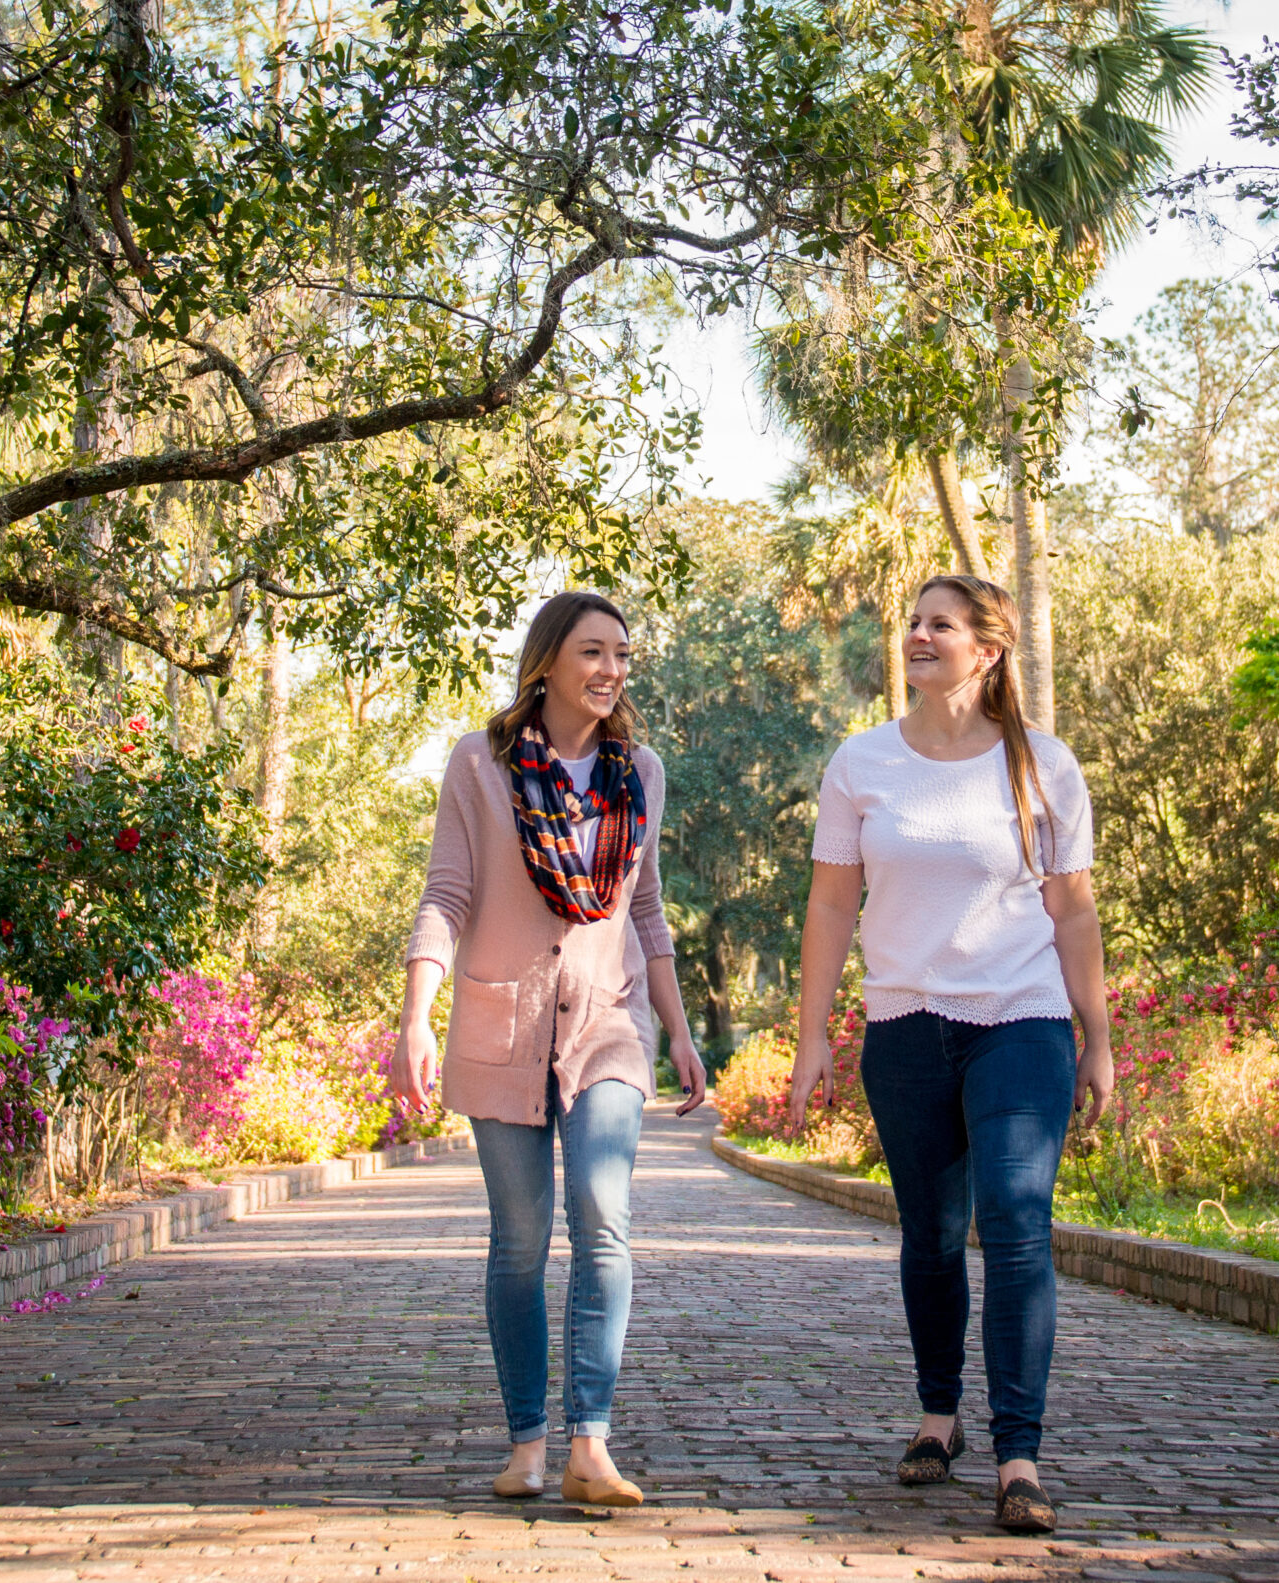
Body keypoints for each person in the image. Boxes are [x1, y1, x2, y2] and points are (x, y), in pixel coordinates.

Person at [787, 574, 1113, 1535]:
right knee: (930, 1235)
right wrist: (813, 1032)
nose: (918, 636)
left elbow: (1072, 910)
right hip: (904, 1027)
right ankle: (940, 1415)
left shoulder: (1042, 763)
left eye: (941, 624)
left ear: (989, 647)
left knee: (1015, 1220)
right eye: (914, 622)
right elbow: (831, 904)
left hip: (1021, 1019)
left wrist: (1099, 1036)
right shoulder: (862, 762)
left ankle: (1020, 1453)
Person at [392, 590, 710, 1508]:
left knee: (603, 1220)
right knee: (522, 1240)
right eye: (593, 651)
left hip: (610, 1025)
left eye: (622, 654)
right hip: (503, 1023)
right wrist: (417, 1014)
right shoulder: (480, 763)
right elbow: (447, 894)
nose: (612, 670)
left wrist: (679, 1029)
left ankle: (590, 1444)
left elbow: (644, 909)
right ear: (548, 661)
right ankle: (526, 1442)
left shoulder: (639, 771)